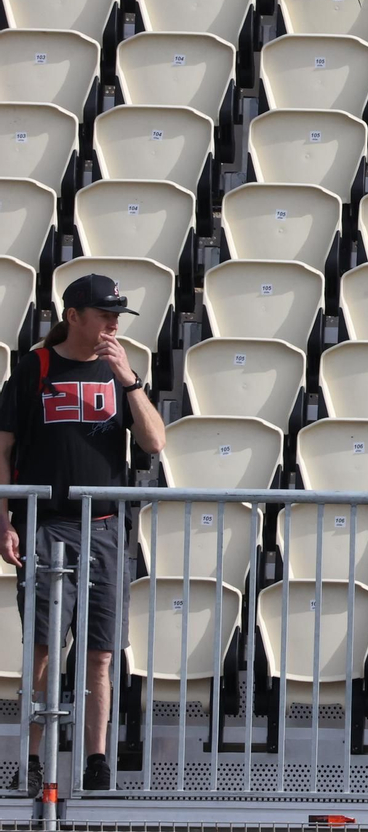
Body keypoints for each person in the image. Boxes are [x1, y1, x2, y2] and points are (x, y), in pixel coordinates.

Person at [0, 273, 167, 796]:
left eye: (117, 315)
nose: (113, 324)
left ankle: (96, 762)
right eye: (104, 314)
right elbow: (2, 450)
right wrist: (4, 518)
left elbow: (155, 442)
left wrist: (131, 381)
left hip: (104, 529)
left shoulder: (121, 371)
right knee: (44, 649)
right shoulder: (35, 367)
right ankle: (30, 761)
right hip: (45, 524)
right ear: (73, 316)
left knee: (101, 653)